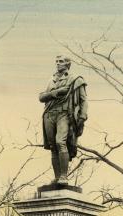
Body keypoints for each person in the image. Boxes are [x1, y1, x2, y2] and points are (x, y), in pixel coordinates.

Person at [39, 55, 88, 185]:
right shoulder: (51, 80)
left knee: (60, 142)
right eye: (56, 61)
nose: (58, 64)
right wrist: (57, 92)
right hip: (49, 114)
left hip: (65, 113)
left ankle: (64, 176)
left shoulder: (75, 79)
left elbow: (84, 100)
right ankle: (57, 177)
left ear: (67, 64)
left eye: (61, 62)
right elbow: (41, 97)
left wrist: (82, 117)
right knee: (53, 146)